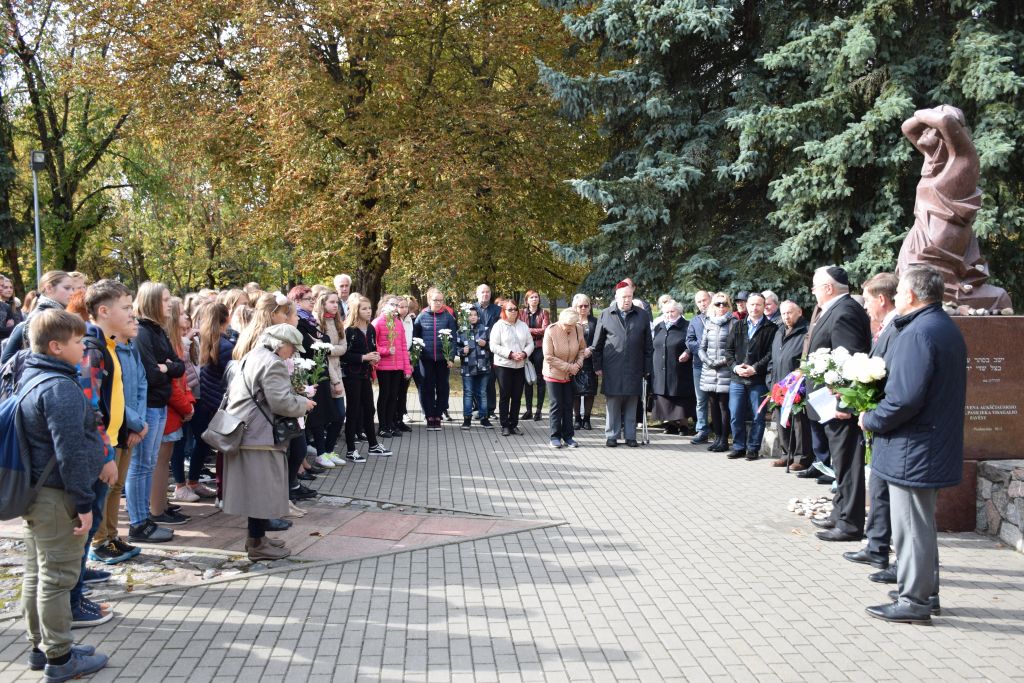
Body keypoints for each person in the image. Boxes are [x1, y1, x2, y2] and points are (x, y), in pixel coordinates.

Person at [862, 266, 966, 624]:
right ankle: (924, 591)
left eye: (902, 290)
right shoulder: (941, 326)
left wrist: (870, 419)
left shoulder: (919, 332)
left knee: (911, 526)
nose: (899, 295)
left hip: (915, 447)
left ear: (911, 295)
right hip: (926, 444)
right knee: (920, 524)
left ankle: (915, 601)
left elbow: (905, 399)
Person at [18, 309, 110, 679]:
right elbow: (70, 451)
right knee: (57, 578)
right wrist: (84, 503)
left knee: (36, 574)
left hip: (38, 492)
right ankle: (59, 658)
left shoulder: (32, 376)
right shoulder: (60, 388)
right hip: (57, 496)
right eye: (76, 343)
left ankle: (43, 646)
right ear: (56, 346)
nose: (83, 350)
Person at [68, 280, 134, 624]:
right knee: (85, 528)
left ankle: (76, 590)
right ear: (104, 311)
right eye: (126, 307)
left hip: (107, 443)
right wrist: (106, 455)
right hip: (96, 453)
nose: (131, 313)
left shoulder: (108, 346)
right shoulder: (93, 349)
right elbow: (89, 408)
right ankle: (73, 600)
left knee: (89, 528)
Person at [222, 324, 314, 561]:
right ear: (281, 344)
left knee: (257, 489)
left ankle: (257, 539)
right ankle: (257, 544)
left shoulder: (253, 355)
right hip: (259, 435)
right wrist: (303, 403)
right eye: (292, 348)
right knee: (261, 491)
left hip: (247, 430)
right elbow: (280, 402)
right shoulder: (272, 363)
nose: (293, 353)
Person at [804, 266, 872, 542]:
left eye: (815, 287)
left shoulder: (844, 311)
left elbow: (851, 360)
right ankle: (839, 512)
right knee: (839, 462)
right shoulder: (834, 309)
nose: (813, 292)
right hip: (827, 402)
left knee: (847, 464)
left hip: (838, 404)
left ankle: (850, 524)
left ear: (828, 288)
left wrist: (845, 401)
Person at [843, 272, 901, 574]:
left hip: (885, 422)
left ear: (881, 299)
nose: (865, 308)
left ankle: (883, 550)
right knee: (877, 488)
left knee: (884, 490)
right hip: (876, 420)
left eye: (867, 301)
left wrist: (871, 412)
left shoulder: (898, 329)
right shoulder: (886, 328)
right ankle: (876, 546)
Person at [126, 282, 184, 544]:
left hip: (159, 403)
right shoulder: (143, 333)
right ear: (151, 302)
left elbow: (179, 366)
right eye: (165, 299)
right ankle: (139, 522)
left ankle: (145, 518)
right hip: (148, 404)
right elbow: (150, 372)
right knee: (141, 465)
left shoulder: (157, 330)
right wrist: (165, 368)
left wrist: (167, 367)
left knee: (148, 464)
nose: (169, 304)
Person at [90, 305, 147, 565]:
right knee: (107, 486)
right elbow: (111, 397)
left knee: (117, 487)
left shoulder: (129, 350)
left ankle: (112, 535)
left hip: (129, 425)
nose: (133, 320)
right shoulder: (102, 350)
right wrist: (133, 423)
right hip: (117, 427)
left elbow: (140, 386)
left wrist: (140, 421)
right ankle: (99, 539)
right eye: (126, 310)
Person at [176, 302, 231, 502]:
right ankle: (180, 485)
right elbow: (179, 364)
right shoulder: (180, 340)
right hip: (184, 397)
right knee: (179, 444)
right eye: (182, 314)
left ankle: (193, 481)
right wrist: (186, 340)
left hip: (199, 397)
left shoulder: (202, 339)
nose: (187, 319)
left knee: (204, 439)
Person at [150, 297, 195, 526]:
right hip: (168, 408)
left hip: (175, 407)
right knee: (160, 461)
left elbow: (179, 372)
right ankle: (157, 509)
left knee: (164, 461)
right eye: (182, 313)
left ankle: (162, 504)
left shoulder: (172, 340)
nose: (186, 317)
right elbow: (173, 380)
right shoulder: (167, 341)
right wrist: (186, 405)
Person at [592, 282, 653, 448]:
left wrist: (647, 368)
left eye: (630, 296)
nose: (627, 300)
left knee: (632, 402)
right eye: (624, 297)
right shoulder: (606, 314)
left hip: (635, 366)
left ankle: (630, 436)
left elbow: (648, 345)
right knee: (613, 402)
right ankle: (612, 435)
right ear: (616, 298)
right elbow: (597, 343)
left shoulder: (642, 315)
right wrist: (597, 365)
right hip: (612, 366)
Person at [724, 293, 777, 460]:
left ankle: (753, 448)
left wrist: (755, 368)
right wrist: (735, 367)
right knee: (735, 414)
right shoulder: (738, 325)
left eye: (758, 305)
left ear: (764, 306)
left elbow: (771, 354)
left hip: (758, 379)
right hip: (737, 379)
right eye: (752, 304)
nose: (755, 308)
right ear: (747, 306)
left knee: (757, 416)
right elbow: (728, 351)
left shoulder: (771, 328)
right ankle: (739, 446)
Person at [291, 286, 338, 468]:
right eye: (307, 298)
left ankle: (323, 451)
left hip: (319, 371)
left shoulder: (311, 321)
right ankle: (317, 453)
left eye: (312, 298)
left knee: (328, 414)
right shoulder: (300, 322)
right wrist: (319, 341)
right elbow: (308, 344)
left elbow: (326, 341)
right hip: (307, 373)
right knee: (314, 416)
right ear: (296, 302)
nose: (312, 301)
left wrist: (320, 341)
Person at [343, 295, 391, 460]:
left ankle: (373, 445)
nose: (368, 311)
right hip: (351, 375)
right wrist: (363, 357)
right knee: (353, 410)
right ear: (356, 310)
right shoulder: (349, 330)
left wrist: (375, 357)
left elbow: (371, 347)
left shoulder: (370, 328)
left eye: (369, 308)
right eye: (364, 308)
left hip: (365, 374)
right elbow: (344, 355)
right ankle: (350, 449)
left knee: (369, 409)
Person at [768, 301, 813, 471]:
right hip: (778, 385)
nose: (786, 317)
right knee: (782, 422)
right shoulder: (779, 331)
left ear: (799, 312)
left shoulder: (807, 331)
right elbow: (774, 357)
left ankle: (802, 458)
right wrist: (770, 380)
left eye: (790, 313)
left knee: (800, 424)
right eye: (784, 313)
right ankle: (786, 454)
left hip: (797, 386)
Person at [1, 270, 76, 363]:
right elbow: (6, 359)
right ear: (49, 288)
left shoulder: (58, 314)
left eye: (73, 289)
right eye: (67, 288)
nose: (72, 293)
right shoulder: (42, 317)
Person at [413, 288, 457, 430]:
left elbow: (453, 339)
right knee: (427, 387)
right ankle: (429, 416)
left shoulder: (448, 317)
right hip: (426, 359)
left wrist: (450, 357)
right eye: (435, 300)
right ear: (429, 300)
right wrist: (416, 355)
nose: (438, 303)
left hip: (443, 360)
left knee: (443, 387)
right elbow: (415, 337)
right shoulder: (422, 316)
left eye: (440, 300)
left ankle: (438, 415)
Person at [543, 307, 588, 447]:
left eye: (571, 325)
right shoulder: (551, 330)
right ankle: (554, 437)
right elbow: (549, 357)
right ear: (560, 321)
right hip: (553, 373)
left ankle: (568, 436)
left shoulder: (578, 329)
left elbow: (582, 349)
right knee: (556, 405)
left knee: (568, 405)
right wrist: (569, 367)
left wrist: (578, 364)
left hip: (570, 375)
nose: (568, 328)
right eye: (566, 325)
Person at [489, 300, 534, 437]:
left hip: (520, 365)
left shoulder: (523, 326)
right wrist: (510, 354)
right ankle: (505, 425)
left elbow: (530, 343)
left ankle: (514, 424)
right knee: (505, 395)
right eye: (510, 309)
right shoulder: (499, 326)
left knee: (517, 396)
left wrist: (524, 353)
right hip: (504, 365)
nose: (513, 312)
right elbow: (493, 346)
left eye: (515, 309)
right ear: (504, 311)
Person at [699, 293, 735, 452]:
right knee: (712, 404)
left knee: (723, 405)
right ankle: (717, 437)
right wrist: (708, 361)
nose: (722, 307)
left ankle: (725, 440)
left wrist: (720, 362)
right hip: (709, 370)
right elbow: (701, 347)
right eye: (718, 304)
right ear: (713, 305)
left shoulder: (733, 323)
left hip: (725, 370)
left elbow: (735, 350)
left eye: (725, 304)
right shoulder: (709, 323)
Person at [651, 300, 694, 435]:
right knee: (664, 398)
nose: (669, 314)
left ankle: (684, 425)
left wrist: (688, 352)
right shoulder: (660, 326)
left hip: (680, 369)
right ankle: (670, 425)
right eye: (666, 312)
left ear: (679, 312)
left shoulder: (687, 326)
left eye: (672, 311)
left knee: (680, 398)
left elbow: (694, 343)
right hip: (660, 368)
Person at [372, 295, 412, 438]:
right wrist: (386, 351)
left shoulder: (398, 323)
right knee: (385, 395)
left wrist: (407, 368)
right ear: (384, 305)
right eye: (392, 304)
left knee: (394, 396)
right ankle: (382, 426)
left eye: (397, 305)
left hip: (398, 367)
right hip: (384, 366)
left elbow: (403, 346)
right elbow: (373, 345)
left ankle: (390, 425)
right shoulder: (377, 322)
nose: (395, 308)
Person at [314, 291, 348, 460]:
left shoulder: (337, 322)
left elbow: (343, 347)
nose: (335, 305)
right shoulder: (317, 323)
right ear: (323, 303)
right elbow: (322, 354)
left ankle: (329, 449)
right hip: (325, 374)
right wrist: (335, 380)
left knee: (340, 414)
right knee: (323, 415)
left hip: (337, 371)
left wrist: (330, 349)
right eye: (331, 302)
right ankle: (321, 452)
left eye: (337, 302)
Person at [458, 306, 493, 429]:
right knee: (468, 393)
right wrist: (462, 350)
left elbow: (493, 347)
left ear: (478, 316)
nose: (472, 317)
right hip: (468, 367)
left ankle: (484, 418)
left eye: (475, 315)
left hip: (483, 367)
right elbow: (456, 348)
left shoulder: (485, 329)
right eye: (470, 315)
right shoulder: (461, 331)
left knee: (482, 393)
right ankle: (467, 419)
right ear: (465, 317)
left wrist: (486, 344)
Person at [686, 290, 712, 444]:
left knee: (718, 401)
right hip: (699, 365)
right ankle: (702, 430)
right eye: (699, 301)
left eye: (704, 300)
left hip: (719, 366)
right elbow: (689, 341)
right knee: (701, 400)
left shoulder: (720, 318)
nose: (703, 303)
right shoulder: (695, 321)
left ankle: (722, 429)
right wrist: (703, 349)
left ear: (710, 299)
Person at [473, 284, 501, 420]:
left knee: (490, 380)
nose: (485, 294)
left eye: (488, 292)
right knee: (475, 379)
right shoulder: (470, 309)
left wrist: (488, 342)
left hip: (491, 349)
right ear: (477, 294)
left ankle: (490, 409)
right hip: (474, 350)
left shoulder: (498, 310)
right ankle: (477, 408)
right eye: (482, 292)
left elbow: (500, 329)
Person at [521, 290, 549, 421]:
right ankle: (528, 410)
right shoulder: (521, 313)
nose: (534, 299)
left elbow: (545, 330)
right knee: (527, 379)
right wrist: (532, 332)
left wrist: (528, 330)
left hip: (539, 348)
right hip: (526, 348)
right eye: (531, 297)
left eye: (536, 297)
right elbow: (519, 328)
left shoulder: (544, 313)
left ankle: (538, 410)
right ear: (527, 300)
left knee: (540, 379)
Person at [571, 294, 599, 430]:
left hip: (590, 360)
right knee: (575, 391)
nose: (583, 308)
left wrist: (591, 349)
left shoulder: (595, 322)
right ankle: (577, 419)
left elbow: (599, 340)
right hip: (574, 360)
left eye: (585, 305)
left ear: (589, 307)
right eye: (580, 306)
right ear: (575, 307)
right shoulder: (570, 321)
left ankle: (587, 419)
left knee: (589, 391)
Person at [394, 295, 416, 430]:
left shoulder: (410, 320)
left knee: (403, 391)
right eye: (401, 307)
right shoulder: (393, 320)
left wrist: (412, 354)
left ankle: (400, 419)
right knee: (394, 391)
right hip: (396, 358)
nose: (404, 309)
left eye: (406, 307)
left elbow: (412, 338)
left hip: (407, 357)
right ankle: (392, 420)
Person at [0, 274, 23, 344]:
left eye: (11, 287)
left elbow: (20, 325)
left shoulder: (16, 305)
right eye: (5, 287)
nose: (9, 290)